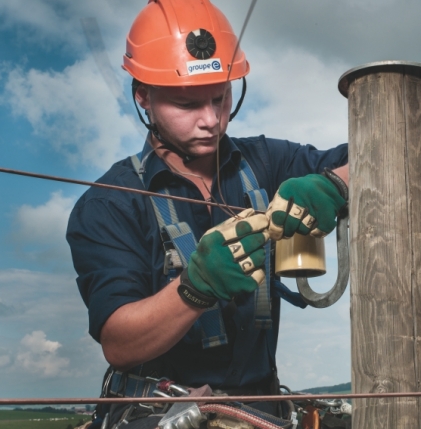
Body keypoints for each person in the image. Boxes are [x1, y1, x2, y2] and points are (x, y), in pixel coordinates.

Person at [65, 0, 348, 427]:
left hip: (259, 410)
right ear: (144, 96)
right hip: (156, 414)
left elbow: (380, 155)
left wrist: (333, 184)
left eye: (220, 98)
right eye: (187, 105)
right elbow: (119, 343)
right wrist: (193, 289)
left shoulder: (267, 162)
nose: (211, 120)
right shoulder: (110, 203)